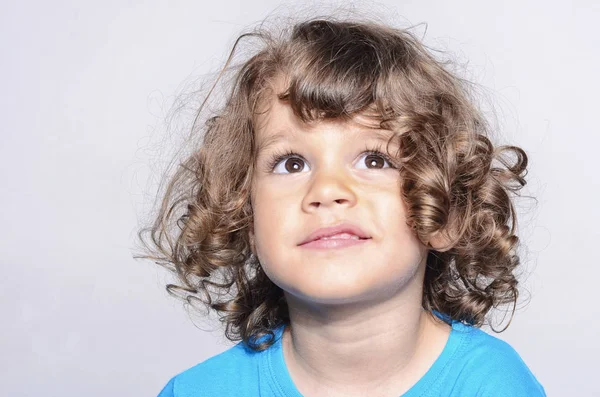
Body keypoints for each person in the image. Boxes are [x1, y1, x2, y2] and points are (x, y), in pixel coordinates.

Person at [137, 13, 546, 397]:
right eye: (291, 163)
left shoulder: (492, 385)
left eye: (375, 159)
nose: (327, 189)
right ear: (242, 216)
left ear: (448, 213)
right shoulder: (198, 391)